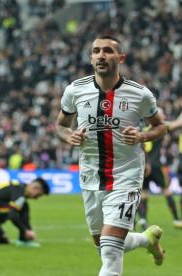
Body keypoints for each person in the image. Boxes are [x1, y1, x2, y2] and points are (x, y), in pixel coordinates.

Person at [55, 35, 167, 276]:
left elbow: (160, 126)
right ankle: (147, 240)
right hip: (91, 176)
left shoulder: (140, 94)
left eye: (107, 51)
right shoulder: (75, 90)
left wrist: (141, 136)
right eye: (96, 51)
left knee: (110, 251)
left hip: (126, 175)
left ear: (121, 58)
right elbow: (61, 125)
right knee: (104, 245)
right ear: (91, 57)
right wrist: (68, 136)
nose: (101, 55)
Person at [138, 113, 182, 230]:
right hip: (157, 165)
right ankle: (177, 219)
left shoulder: (142, 130)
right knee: (167, 192)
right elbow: (174, 125)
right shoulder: (158, 130)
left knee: (144, 194)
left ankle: (143, 221)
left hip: (144, 166)